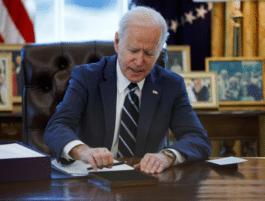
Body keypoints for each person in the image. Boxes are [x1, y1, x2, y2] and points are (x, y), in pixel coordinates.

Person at [44, 6, 211, 174]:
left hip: (146, 183)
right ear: (117, 42)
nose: (139, 61)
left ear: (159, 49)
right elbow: (57, 127)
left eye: (149, 53)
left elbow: (198, 138)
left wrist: (167, 156)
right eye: (133, 50)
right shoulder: (87, 77)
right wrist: (84, 151)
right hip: (93, 183)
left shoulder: (171, 85)